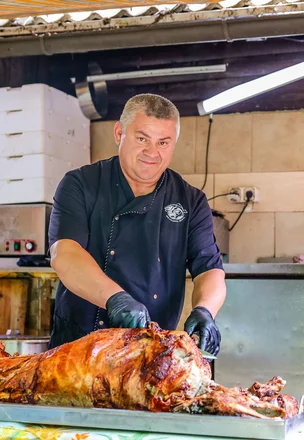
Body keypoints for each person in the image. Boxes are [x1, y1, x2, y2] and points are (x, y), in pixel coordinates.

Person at [47, 93, 226, 356]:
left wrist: (205, 310)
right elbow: (65, 254)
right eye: (142, 139)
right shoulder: (80, 184)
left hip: (150, 352)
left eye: (163, 143)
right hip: (78, 347)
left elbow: (209, 268)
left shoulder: (190, 200)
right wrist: (115, 299)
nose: (152, 153)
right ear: (119, 133)